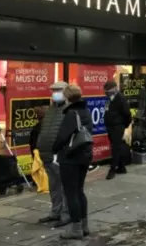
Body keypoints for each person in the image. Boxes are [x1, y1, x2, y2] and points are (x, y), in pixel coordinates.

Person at [52, 85, 93, 240]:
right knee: (79, 191)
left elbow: (62, 137)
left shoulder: (71, 114)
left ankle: (76, 228)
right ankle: (84, 225)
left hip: (70, 158)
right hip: (84, 156)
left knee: (71, 193)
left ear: (67, 98)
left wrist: (54, 149)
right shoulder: (86, 111)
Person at [36, 81, 70, 227]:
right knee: (54, 185)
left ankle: (66, 214)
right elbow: (45, 129)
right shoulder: (50, 110)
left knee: (65, 186)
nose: (55, 93)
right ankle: (55, 211)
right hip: (47, 154)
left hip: (61, 155)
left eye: (58, 90)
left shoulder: (70, 109)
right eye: (53, 90)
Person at [103, 80, 133, 180]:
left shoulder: (120, 98)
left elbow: (127, 113)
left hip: (117, 126)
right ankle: (121, 167)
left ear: (115, 88)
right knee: (116, 146)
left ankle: (112, 169)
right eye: (106, 90)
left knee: (115, 147)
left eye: (108, 90)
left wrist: (124, 125)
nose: (107, 92)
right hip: (111, 126)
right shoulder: (109, 99)